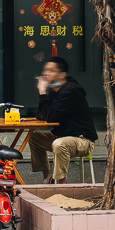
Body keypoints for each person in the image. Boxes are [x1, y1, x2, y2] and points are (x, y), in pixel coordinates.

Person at [28, 56, 98, 184]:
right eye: (45, 70)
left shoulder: (70, 91)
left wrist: (42, 91)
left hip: (82, 140)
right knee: (33, 137)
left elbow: (50, 116)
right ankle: (47, 178)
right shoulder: (55, 90)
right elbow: (40, 114)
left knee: (59, 144)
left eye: (51, 71)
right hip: (62, 136)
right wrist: (47, 111)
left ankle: (61, 183)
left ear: (62, 75)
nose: (46, 73)